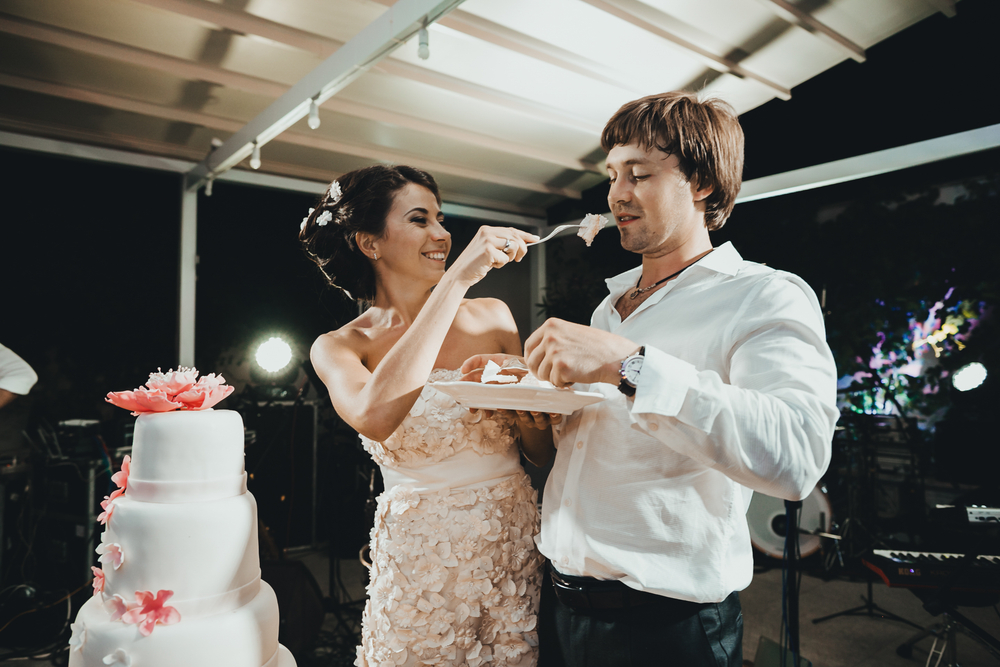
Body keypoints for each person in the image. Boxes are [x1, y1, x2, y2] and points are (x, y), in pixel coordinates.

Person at [468, 92, 839, 666]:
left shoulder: (762, 294)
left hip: (666, 628)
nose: (617, 194)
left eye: (639, 174)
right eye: (613, 175)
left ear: (703, 184)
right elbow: (605, 440)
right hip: (561, 607)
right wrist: (525, 383)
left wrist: (629, 364)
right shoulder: (610, 309)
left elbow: (796, 456)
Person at [302, 165, 553, 667]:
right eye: (420, 220)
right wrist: (457, 279)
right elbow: (374, 416)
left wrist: (528, 406)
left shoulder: (494, 317)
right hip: (421, 562)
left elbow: (540, 452)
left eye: (441, 219)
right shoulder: (340, 346)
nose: (442, 235)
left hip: (514, 546)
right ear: (369, 243)